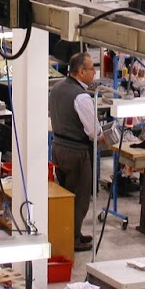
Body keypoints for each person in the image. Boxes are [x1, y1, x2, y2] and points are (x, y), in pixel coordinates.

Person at [49, 50, 100, 251]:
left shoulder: (57, 88)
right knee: (79, 197)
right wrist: (105, 136)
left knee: (65, 195)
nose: (94, 73)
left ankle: (71, 232)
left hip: (58, 147)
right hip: (77, 152)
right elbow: (94, 131)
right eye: (92, 69)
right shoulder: (81, 96)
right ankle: (73, 239)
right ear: (81, 71)